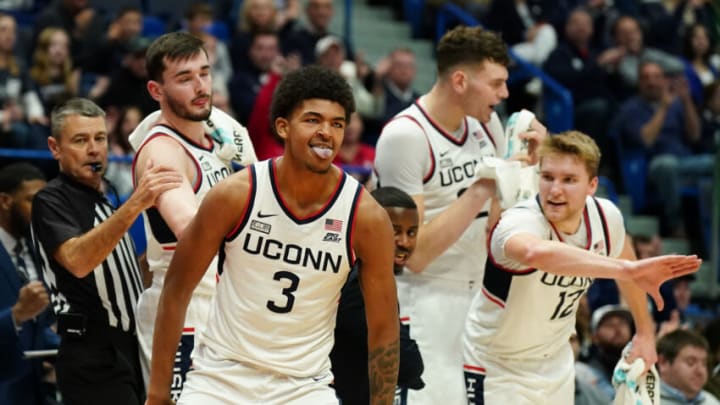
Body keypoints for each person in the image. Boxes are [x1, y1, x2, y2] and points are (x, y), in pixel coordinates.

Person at [146, 65, 400, 405]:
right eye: (313, 120)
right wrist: (157, 395)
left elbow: (383, 328)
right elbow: (176, 291)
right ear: (283, 126)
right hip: (220, 378)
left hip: (304, 387)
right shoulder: (235, 195)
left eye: (336, 123)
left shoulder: (366, 217)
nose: (326, 132)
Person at [462, 130, 701, 404]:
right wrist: (625, 269)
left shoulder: (606, 217)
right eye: (547, 177)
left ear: (592, 185)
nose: (555, 189)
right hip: (496, 361)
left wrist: (645, 334)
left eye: (569, 180)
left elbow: (631, 271)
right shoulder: (519, 222)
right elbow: (534, 252)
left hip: (555, 361)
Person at [374, 25, 545, 405]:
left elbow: (503, 224)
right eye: (496, 83)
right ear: (460, 80)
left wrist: (536, 169)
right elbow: (412, 256)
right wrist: (482, 187)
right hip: (423, 303)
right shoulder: (405, 137)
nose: (505, 93)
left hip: (480, 301)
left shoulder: (488, 124)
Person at [30, 98, 183, 405]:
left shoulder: (104, 200)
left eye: (100, 138)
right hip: (90, 352)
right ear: (55, 147)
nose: (94, 149)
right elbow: (78, 261)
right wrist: (136, 203)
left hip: (128, 345)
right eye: (80, 140)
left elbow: (118, 271)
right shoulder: (51, 199)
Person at [130, 31, 256, 399]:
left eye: (204, 73)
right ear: (156, 91)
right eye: (185, 79)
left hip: (232, 301)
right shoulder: (161, 153)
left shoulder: (224, 130)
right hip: (185, 308)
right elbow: (194, 232)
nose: (200, 87)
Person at [331, 186, 424, 404]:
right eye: (395, 231)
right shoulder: (357, 285)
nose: (405, 242)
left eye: (411, 232)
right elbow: (407, 362)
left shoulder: (372, 278)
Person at [0, 162, 59, 405]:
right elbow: (22, 316)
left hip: (36, 391)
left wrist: (66, 350)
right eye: (32, 201)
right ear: (5, 201)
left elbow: (39, 325)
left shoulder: (36, 250)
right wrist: (16, 315)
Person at [657, 329, 720, 405]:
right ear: (663, 362)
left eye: (704, 364)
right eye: (691, 362)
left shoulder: (712, 402)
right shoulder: (645, 400)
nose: (700, 371)